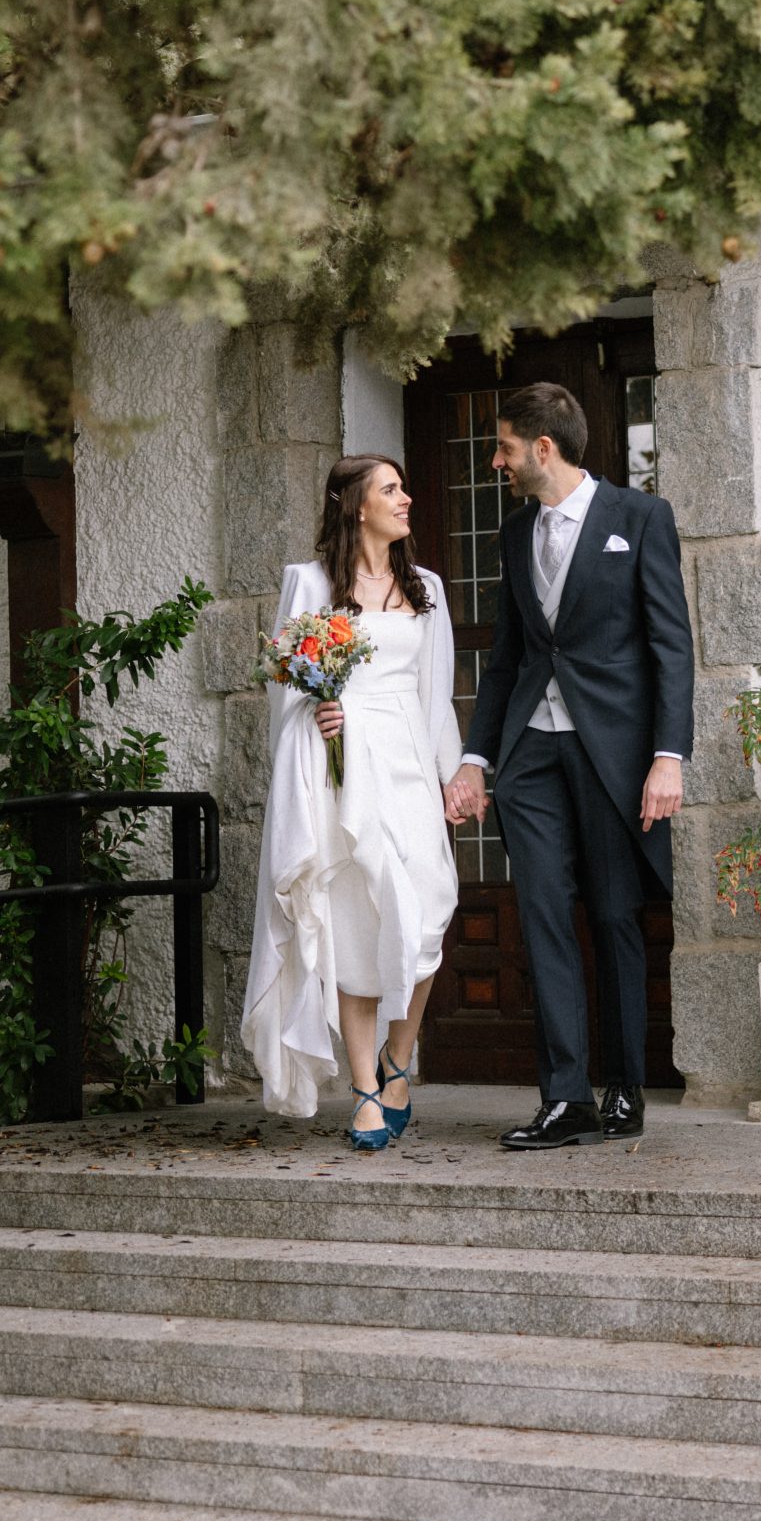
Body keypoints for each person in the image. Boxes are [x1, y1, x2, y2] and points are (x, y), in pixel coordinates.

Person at [445, 381, 693, 1151]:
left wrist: (667, 757)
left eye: (506, 448)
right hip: (531, 756)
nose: (496, 461)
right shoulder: (514, 536)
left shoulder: (640, 518)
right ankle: (564, 1097)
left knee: (615, 913)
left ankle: (622, 1089)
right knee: (543, 913)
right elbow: (512, 656)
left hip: (613, 753)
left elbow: (671, 646)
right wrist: (477, 757)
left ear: (542, 448)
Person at [241, 455, 462, 1151]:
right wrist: (318, 711)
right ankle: (367, 1088)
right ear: (357, 507)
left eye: (403, 486)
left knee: (429, 911)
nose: (406, 498)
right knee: (355, 925)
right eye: (391, 489)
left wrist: (451, 777)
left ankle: (402, 1060)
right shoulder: (308, 584)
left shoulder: (426, 587)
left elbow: (437, 692)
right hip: (342, 770)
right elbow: (287, 691)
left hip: (407, 764)